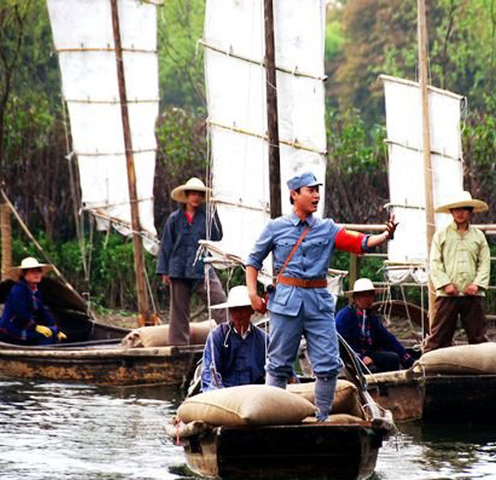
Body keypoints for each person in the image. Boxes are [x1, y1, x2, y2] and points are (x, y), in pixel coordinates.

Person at [245, 171, 398, 421]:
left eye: (318, 190)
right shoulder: (276, 227)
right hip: (286, 303)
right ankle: (273, 417)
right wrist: (252, 293)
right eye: (310, 190)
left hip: (318, 304)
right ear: (294, 195)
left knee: (328, 365)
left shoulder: (327, 228)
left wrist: (385, 235)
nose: (316, 195)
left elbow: (358, 242)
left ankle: (322, 417)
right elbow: (253, 261)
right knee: (279, 365)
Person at [156, 177, 228, 346]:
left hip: (202, 268)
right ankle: (179, 347)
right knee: (179, 312)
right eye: (193, 194)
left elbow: (217, 237)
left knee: (220, 300)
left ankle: (231, 336)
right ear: (187, 196)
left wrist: (214, 213)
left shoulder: (207, 216)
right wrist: (164, 271)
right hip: (178, 269)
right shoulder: (174, 219)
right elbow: (166, 244)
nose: (196, 197)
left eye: (199, 194)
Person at [423, 191, 491, 352]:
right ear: (451, 212)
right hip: (448, 293)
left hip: (472, 293)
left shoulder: (478, 236)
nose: (460, 213)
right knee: (439, 335)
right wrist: (445, 284)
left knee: (478, 335)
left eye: (464, 209)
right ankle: (428, 365)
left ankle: (482, 368)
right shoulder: (442, 234)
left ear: (470, 211)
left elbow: (485, 262)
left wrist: (477, 284)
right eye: (456, 209)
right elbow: (435, 261)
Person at [335, 278, 414, 373]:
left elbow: (387, 338)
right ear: (356, 298)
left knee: (393, 359)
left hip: (369, 353)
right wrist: (361, 357)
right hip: (350, 357)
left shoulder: (372, 318)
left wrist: (406, 357)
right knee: (370, 369)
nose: (369, 299)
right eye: (365, 296)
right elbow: (343, 343)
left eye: (371, 295)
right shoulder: (344, 316)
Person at [200, 286, 268, 391]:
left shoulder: (263, 339)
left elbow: (276, 368)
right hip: (226, 393)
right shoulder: (217, 336)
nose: (239, 314)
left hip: (256, 394)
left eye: (244, 309)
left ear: (251, 310)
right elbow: (209, 374)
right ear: (230, 311)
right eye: (235, 310)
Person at [0, 257, 67, 345]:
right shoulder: (18, 290)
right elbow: (21, 313)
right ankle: (42, 357)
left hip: (26, 327)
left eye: (38, 271)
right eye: (33, 272)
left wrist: (56, 329)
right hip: (11, 330)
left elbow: (42, 312)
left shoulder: (36, 291)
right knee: (43, 337)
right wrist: (36, 327)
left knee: (53, 335)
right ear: (24, 274)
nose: (37, 274)